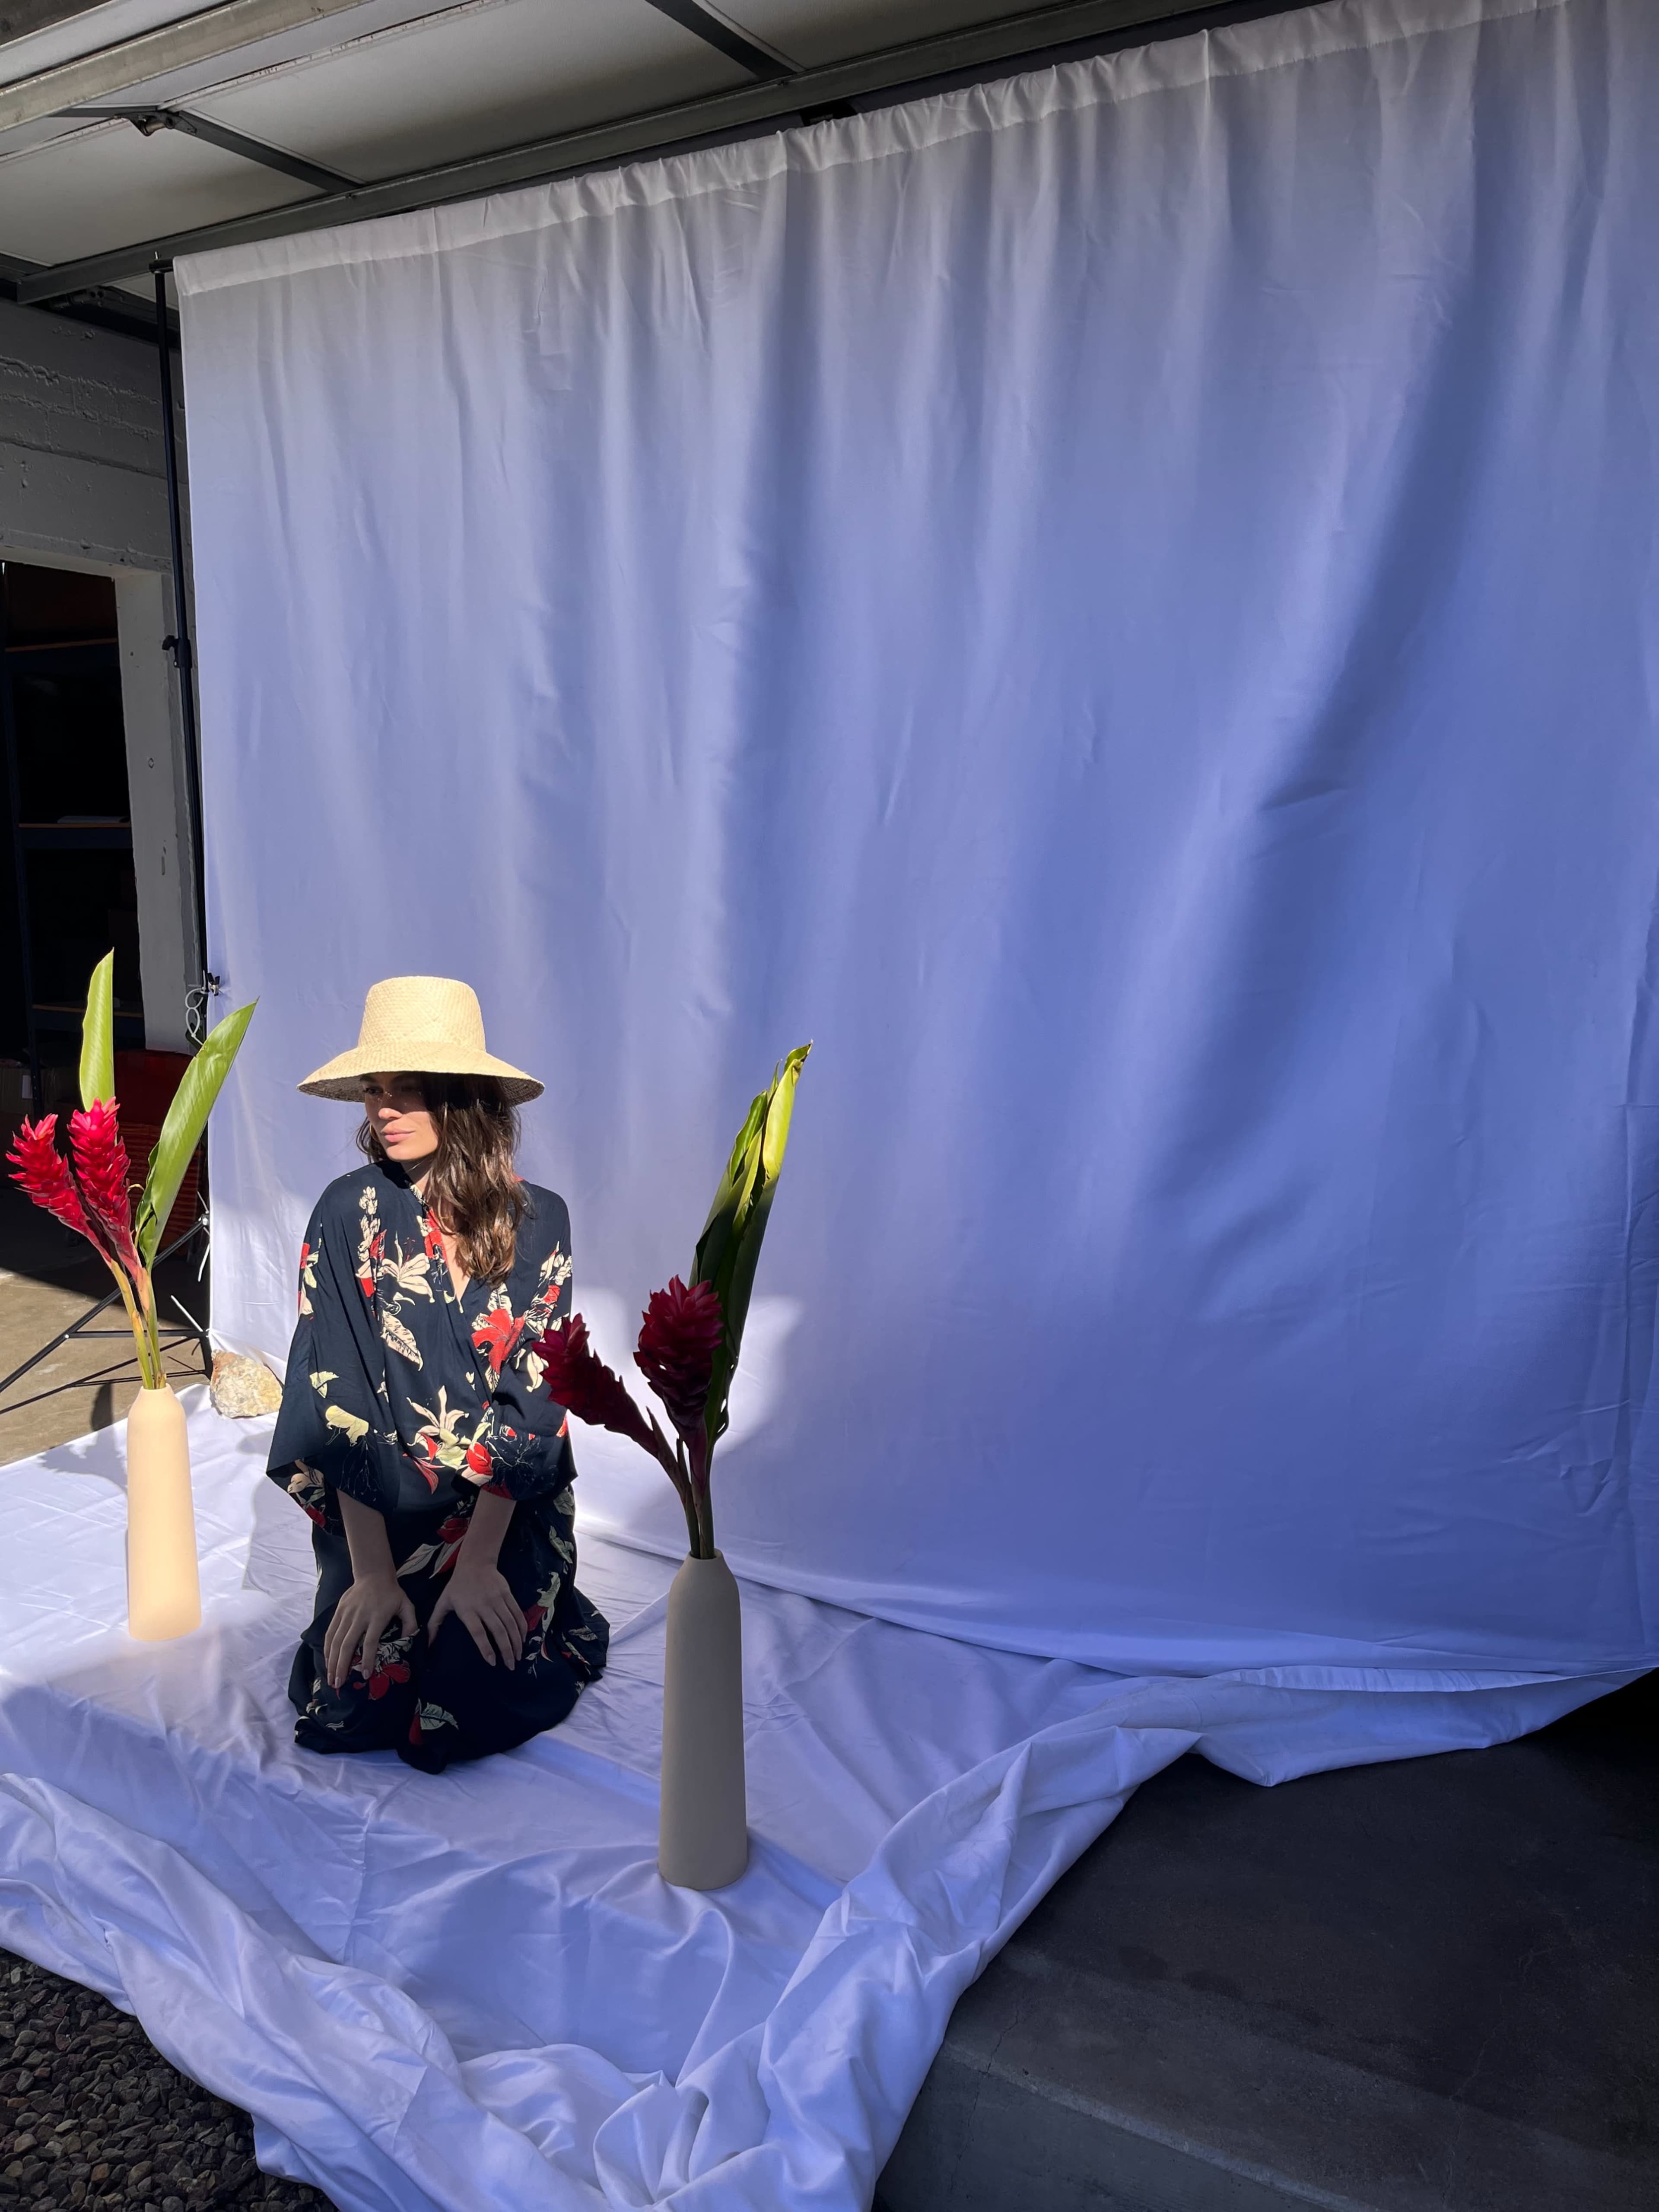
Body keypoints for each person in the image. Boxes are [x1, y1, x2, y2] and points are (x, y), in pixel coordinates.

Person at [266, 976, 608, 1772]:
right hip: (384, 1511)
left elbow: (535, 1402)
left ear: (465, 1100)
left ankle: (520, 1598)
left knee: (464, 1697)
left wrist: (483, 1560)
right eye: (375, 1090)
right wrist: (373, 1573)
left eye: (407, 1090)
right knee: (353, 1704)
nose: (382, 1108)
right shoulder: (345, 1214)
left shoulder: (542, 1221)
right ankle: (375, 1594)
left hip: (503, 1509)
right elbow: (334, 1398)